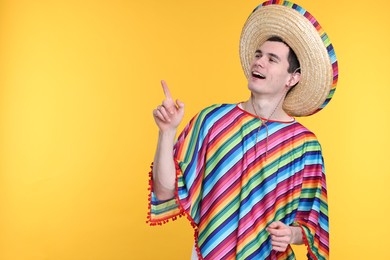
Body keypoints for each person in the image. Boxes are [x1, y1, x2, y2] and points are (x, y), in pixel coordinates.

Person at [147, 1, 338, 259]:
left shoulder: (304, 145)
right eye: (258, 55)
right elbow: (164, 190)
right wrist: (167, 132)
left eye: (272, 59)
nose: (259, 62)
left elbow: (311, 223)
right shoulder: (213, 121)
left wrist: (290, 234)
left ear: (293, 77)